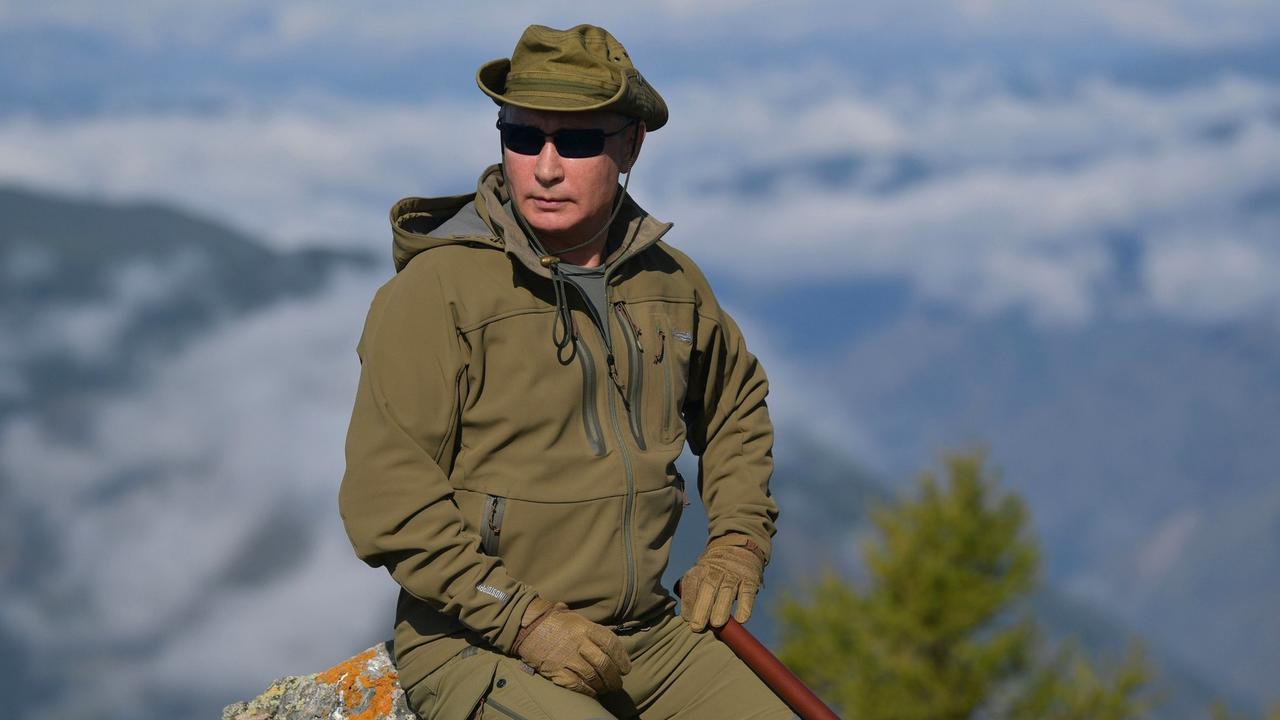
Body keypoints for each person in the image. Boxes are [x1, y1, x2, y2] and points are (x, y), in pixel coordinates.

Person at [339, 23, 788, 719]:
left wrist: (737, 538)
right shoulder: (438, 293)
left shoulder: (670, 283)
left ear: (631, 145)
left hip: (647, 638)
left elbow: (734, 405)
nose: (545, 166)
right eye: (522, 136)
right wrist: (525, 621)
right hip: (477, 646)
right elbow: (388, 500)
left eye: (577, 141)